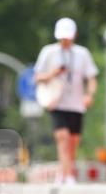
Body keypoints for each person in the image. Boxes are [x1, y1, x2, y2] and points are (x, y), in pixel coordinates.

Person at [34, 17, 98, 184]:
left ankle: (63, 171)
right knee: (62, 137)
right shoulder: (48, 52)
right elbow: (37, 77)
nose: (65, 41)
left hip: (76, 104)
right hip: (57, 101)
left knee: (73, 141)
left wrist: (89, 94)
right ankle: (69, 176)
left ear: (74, 35)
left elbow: (91, 77)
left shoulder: (82, 53)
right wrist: (53, 74)